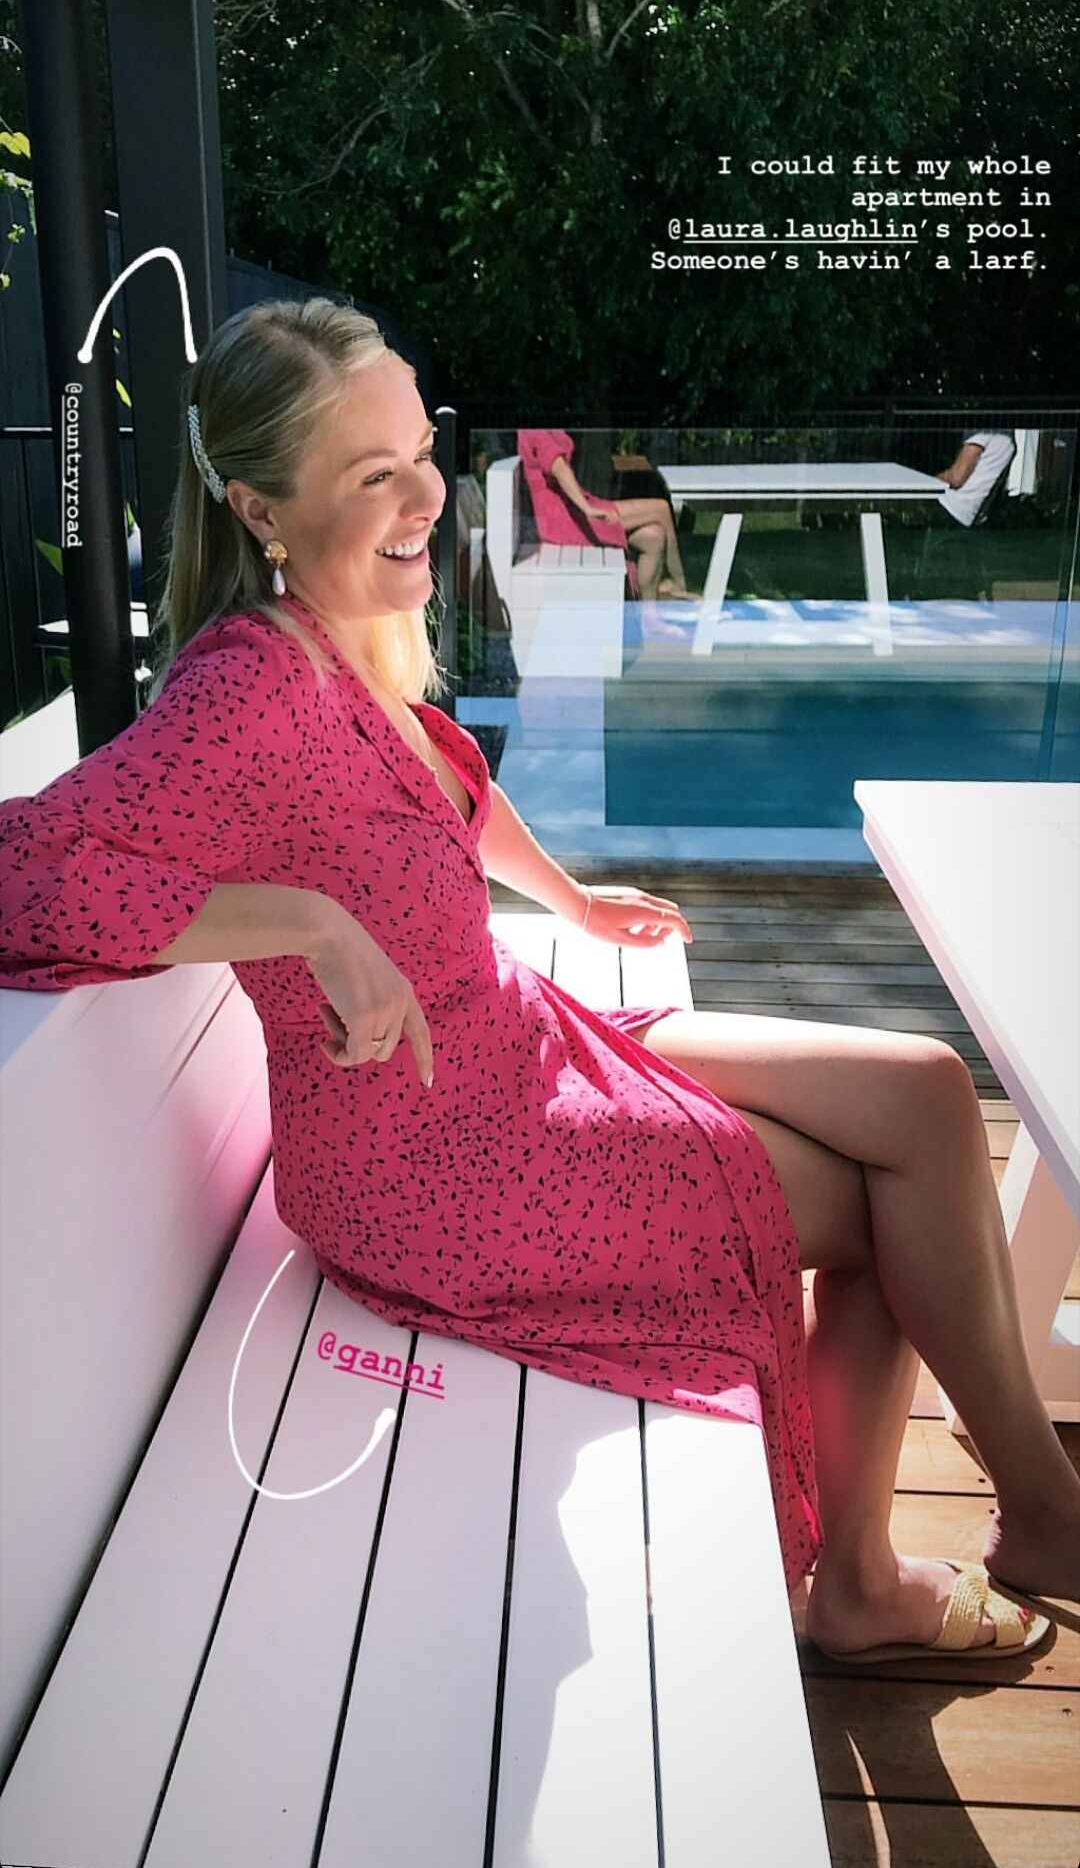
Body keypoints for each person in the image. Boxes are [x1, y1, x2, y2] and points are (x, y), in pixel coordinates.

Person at [2, 299, 1077, 1664]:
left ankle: (1040, 1507)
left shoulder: (334, 634)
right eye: (372, 473)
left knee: (923, 1092)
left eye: (419, 454)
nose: (423, 499)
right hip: (434, 1160)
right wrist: (307, 925)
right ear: (263, 509)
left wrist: (569, 898)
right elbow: (20, 869)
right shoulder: (241, 696)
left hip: (514, 1041)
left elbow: (436, 777)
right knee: (883, 1210)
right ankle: (870, 1580)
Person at [517, 428, 698, 642]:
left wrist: (587, 506)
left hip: (571, 511)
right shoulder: (536, 429)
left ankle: (651, 621)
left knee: (654, 537)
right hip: (564, 520)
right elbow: (559, 468)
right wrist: (588, 509)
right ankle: (678, 585)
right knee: (661, 509)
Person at [935, 430, 1016, 527]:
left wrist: (929, 480)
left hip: (949, 506)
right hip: (971, 515)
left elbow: (956, 479)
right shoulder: (1009, 438)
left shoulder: (983, 431)